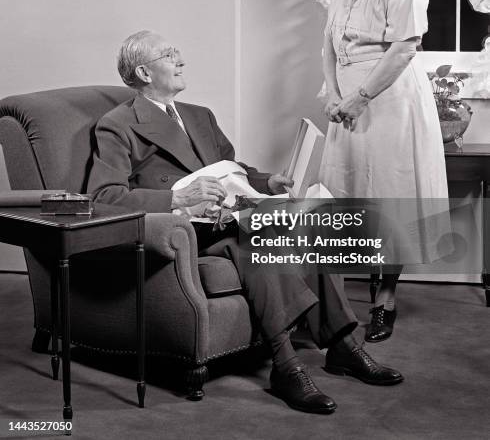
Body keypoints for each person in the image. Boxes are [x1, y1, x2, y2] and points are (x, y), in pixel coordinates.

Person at [88, 29, 403, 414]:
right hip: (184, 230)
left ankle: (344, 345)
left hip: (231, 214)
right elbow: (105, 198)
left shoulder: (200, 115)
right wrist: (176, 198)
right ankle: (286, 366)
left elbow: (231, 169)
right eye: (170, 55)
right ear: (144, 72)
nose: (181, 60)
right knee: (258, 242)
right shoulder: (117, 125)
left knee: (310, 224)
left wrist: (266, 181)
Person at [319, 0, 449, 342]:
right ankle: (332, 297)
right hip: (345, 103)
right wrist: (335, 93)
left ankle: (385, 299)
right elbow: (329, 43)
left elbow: (405, 48)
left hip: (389, 98)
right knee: (345, 189)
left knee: (387, 190)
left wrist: (360, 97)